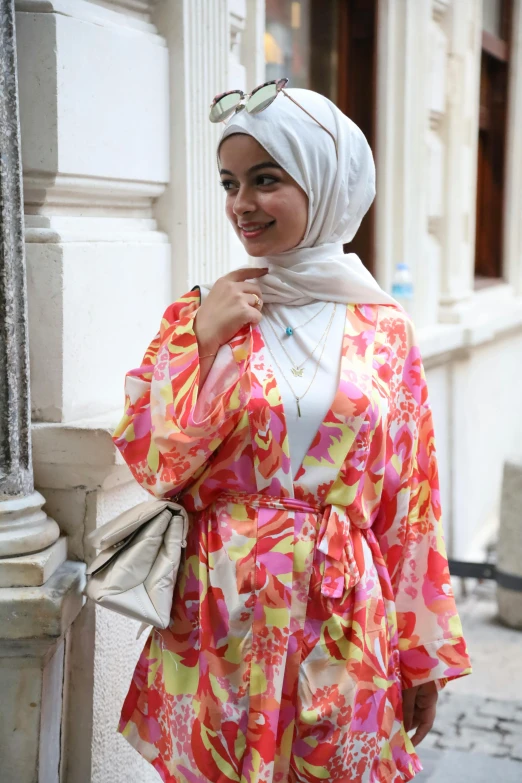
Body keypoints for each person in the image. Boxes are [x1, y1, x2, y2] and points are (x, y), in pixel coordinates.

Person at [112, 82, 471, 783]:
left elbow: (411, 502)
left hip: (343, 615)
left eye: (265, 179)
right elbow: (154, 462)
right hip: (221, 610)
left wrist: (421, 653)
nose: (241, 204)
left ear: (326, 182)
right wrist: (202, 342)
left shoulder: (385, 330)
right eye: (230, 183)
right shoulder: (205, 313)